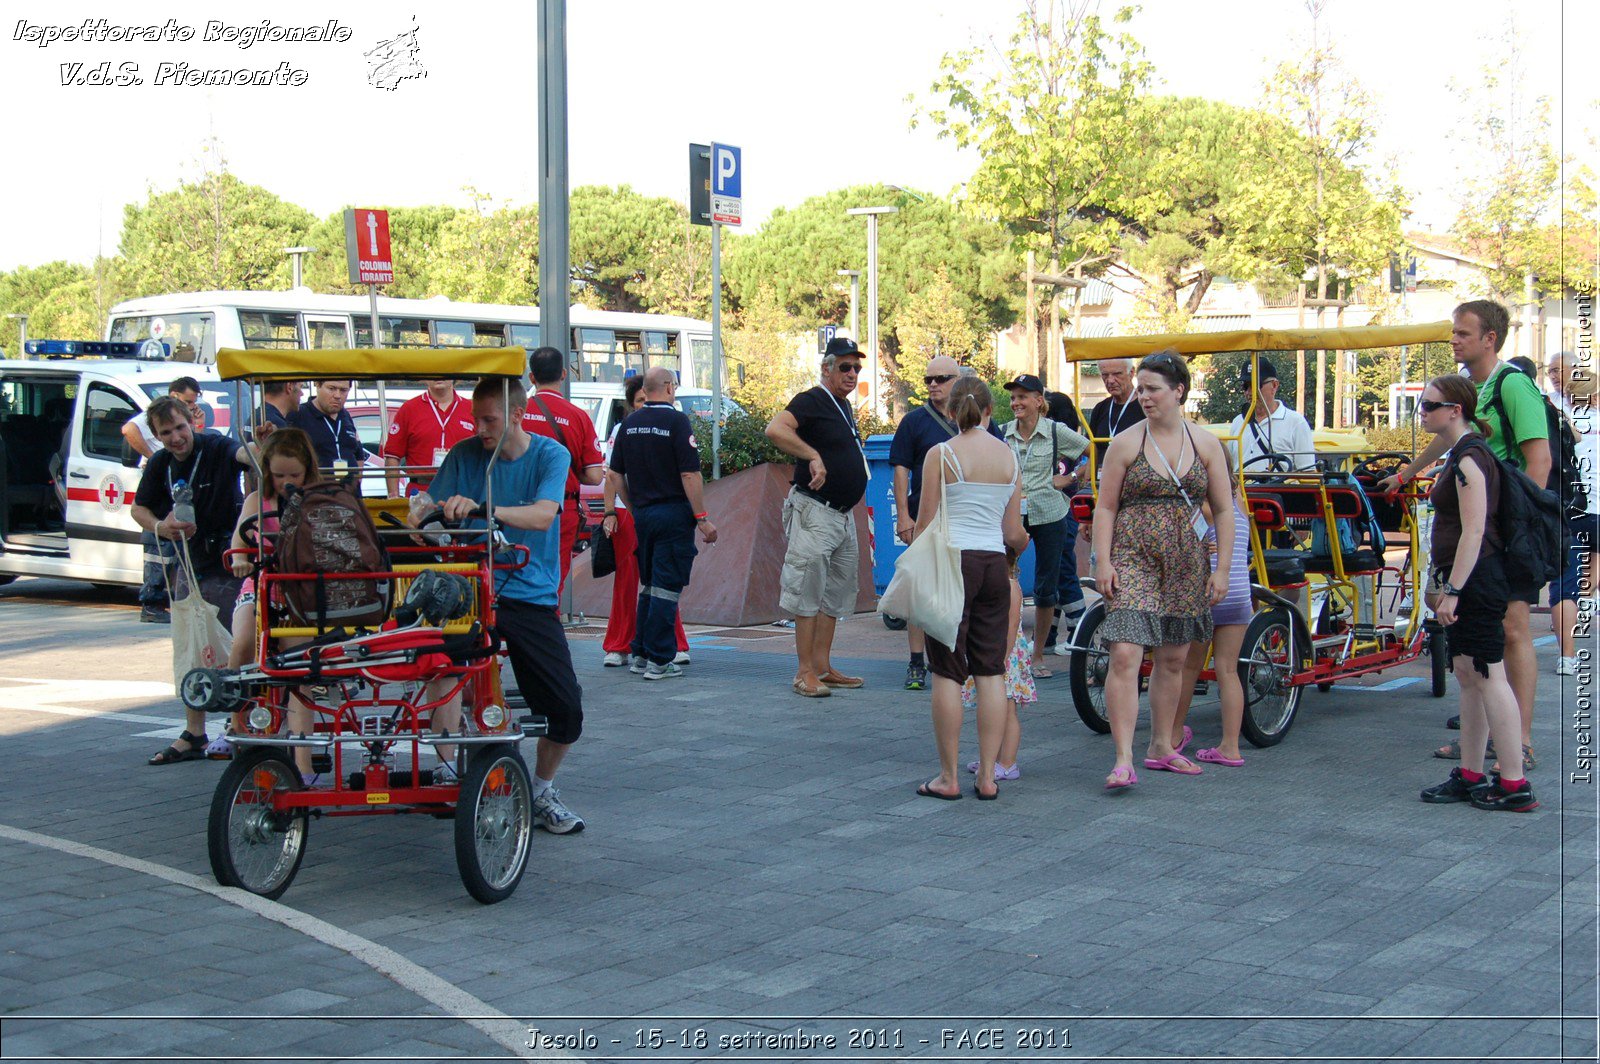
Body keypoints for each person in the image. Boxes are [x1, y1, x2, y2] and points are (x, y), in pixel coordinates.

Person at [1381, 301, 1549, 772]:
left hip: (1503, 535)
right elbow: (1449, 436)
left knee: (1513, 631)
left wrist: (1521, 529)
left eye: (1462, 333)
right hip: (1489, 532)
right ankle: (1484, 746)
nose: (1454, 339)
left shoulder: (1513, 384)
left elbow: (1539, 460)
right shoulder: (1470, 390)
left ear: (1489, 338)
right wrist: (1408, 472)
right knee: (1477, 651)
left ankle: (1521, 742)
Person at [422, 376, 587, 833]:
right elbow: (423, 513)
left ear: (517, 414)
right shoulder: (464, 454)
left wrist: (482, 508)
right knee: (444, 668)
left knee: (565, 708)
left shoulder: (549, 454)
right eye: (475, 418)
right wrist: (429, 515)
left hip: (526, 590)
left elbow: (542, 514)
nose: (479, 428)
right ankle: (447, 769)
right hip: (466, 589)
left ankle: (539, 790)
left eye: (489, 419)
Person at [1091, 350, 1233, 789]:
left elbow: (1226, 511)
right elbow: (1106, 506)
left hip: (1186, 559)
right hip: (1133, 555)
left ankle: (1161, 746)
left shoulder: (1205, 443)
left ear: (1179, 391)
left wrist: (1222, 568)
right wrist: (1104, 560)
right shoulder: (1127, 442)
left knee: (1173, 657)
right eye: (1141, 390)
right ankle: (1122, 758)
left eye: (1153, 389)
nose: (1145, 397)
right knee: (1125, 652)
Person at [1416, 374, 1537, 811]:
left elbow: (1474, 531)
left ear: (1455, 410)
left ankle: (1513, 782)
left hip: (1478, 579)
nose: (1423, 412)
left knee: (1488, 675)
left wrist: (1454, 590)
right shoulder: (1461, 454)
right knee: (1469, 675)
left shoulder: (1469, 460)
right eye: (1422, 405)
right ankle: (1470, 774)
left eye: (1430, 405)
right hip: (1471, 577)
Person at [914, 377, 1029, 801]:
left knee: (947, 668)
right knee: (990, 669)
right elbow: (1013, 531)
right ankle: (988, 776)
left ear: (951, 411)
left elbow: (925, 524)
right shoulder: (1009, 457)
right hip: (995, 566)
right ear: (989, 410)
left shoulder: (940, 454)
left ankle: (948, 777)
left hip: (953, 563)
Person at [130, 395, 253, 766]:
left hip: (230, 565)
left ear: (193, 422)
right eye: (166, 433)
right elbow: (138, 507)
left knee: (238, 647)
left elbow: (245, 458)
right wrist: (160, 527)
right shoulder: (161, 464)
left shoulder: (215, 446)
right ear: (156, 436)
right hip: (189, 563)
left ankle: (238, 728)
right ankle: (194, 732)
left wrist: (259, 446)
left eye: (180, 428)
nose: (176, 438)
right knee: (191, 647)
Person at [765, 337, 871, 698]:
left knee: (835, 594)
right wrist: (812, 455)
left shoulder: (842, 406)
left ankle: (823, 667)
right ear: (826, 368)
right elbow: (776, 429)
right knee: (806, 589)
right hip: (815, 511)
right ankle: (803, 672)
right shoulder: (812, 400)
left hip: (841, 515)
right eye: (845, 367)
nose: (852, 373)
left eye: (857, 367)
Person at [216, 428, 322, 766]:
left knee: (300, 671)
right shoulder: (255, 502)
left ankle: (303, 763)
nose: (285, 481)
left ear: (307, 470)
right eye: (278, 475)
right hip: (261, 585)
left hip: (299, 593)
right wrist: (241, 559)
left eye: (294, 475)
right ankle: (236, 720)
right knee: (244, 640)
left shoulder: (317, 500)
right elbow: (237, 543)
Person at [607, 367, 718, 680]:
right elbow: (689, 474)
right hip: (673, 515)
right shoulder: (676, 421)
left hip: (643, 515)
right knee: (667, 589)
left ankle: (641, 653)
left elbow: (614, 474)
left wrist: (633, 507)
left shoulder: (628, 424)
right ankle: (659, 660)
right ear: (669, 388)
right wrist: (702, 519)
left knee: (650, 586)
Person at [888, 354, 985, 690]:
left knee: (963, 591)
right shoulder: (914, 422)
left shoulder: (980, 422)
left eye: (941, 378)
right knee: (921, 588)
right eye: (928, 379)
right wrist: (904, 514)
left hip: (967, 523)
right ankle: (917, 663)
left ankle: (960, 657)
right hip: (926, 519)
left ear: (958, 381)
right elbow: (900, 467)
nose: (933, 385)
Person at [598, 375, 690, 668]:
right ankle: (618, 645)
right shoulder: (622, 429)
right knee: (628, 583)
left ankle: (671, 644)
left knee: (662, 582)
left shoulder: (670, 424)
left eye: (645, 399)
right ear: (631, 403)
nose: (644, 405)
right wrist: (610, 512)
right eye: (638, 401)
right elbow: (612, 474)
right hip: (630, 513)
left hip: (651, 511)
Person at [1002, 373, 1089, 676]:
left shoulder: (1055, 431)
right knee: (1003, 580)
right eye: (1013, 397)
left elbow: (1095, 451)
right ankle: (1007, 652)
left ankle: (1037, 656)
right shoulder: (1003, 434)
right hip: (1014, 514)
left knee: (1046, 587)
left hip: (1051, 513)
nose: (1016, 403)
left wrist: (1072, 478)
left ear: (1039, 401)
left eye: (1022, 397)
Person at [1169, 464, 1253, 768]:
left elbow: (1186, 540)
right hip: (1240, 589)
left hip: (1208, 587)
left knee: (1189, 667)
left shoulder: (1203, 503)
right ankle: (1230, 746)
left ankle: (1174, 734)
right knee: (1228, 671)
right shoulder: (1237, 499)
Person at [521, 347, 607, 595]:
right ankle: (547, 627)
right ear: (563, 374)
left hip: (518, 507)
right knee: (552, 579)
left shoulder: (516, 413)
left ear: (532, 377)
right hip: (561, 509)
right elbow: (594, 476)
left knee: (517, 572)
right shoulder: (578, 417)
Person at [124, 377, 202, 624]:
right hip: (160, 505)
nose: (192, 405)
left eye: (193, 402)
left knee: (175, 560)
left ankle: (166, 600)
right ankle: (151, 602)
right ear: (174, 395)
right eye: (188, 401)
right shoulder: (154, 414)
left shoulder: (192, 427)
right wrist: (152, 455)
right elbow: (128, 429)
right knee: (158, 556)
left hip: (180, 513)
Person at [1543, 351, 1597, 676]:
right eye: (1550, 371)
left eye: (1558, 371)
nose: (1554, 376)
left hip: (1567, 507)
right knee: (1572, 582)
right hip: (1581, 508)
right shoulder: (1553, 407)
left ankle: (1567, 653)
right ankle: (1583, 606)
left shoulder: (1550, 412)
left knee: (1563, 583)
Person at [963, 547, 1034, 782]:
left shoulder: (1010, 586)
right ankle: (991, 759)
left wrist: (1002, 657)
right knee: (994, 708)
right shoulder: (998, 584)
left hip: (1005, 654)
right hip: (993, 651)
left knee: (1008, 710)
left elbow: (1012, 625)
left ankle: (1008, 762)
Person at [1044, 390, 1088, 653]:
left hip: (1064, 510)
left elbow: (1085, 463)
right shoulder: (1063, 438)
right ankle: (1048, 632)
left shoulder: (1062, 441)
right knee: (1056, 569)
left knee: (1063, 569)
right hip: (1060, 510)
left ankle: (1077, 631)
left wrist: (1068, 477)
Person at [381, 379, 475, 497]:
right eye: (433, 372)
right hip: (420, 492)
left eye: (444, 370)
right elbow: (392, 456)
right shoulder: (409, 409)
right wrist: (393, 496)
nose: (438, 376)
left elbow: (485, 453)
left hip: (461, 492)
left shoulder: (471, 409)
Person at [1227, 357, 1316, 471]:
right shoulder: (1238, 422)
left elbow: (1307, 473)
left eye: (1255, 386)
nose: (1249, 392)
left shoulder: (1296, 423)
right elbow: (1229, 468)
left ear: (1274, 385)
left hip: (1278, 488)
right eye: (1245, 386)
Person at [289, 379, 365, 478]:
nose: (337, 395)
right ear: (317, 385)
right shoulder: (299, 415)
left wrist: (356, 483)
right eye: (331, 389)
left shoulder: (345, 415)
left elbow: (358, 455)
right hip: (317, 489)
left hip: (348, 490)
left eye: (343, 390)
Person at [1086, 358, 1146, 472]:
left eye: (1117, 374)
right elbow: (1092, 450)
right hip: (1101, 481)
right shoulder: (1100, 408)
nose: (1110, 380)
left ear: (1131, 373)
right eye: (1105, 375)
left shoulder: (1146, 406)